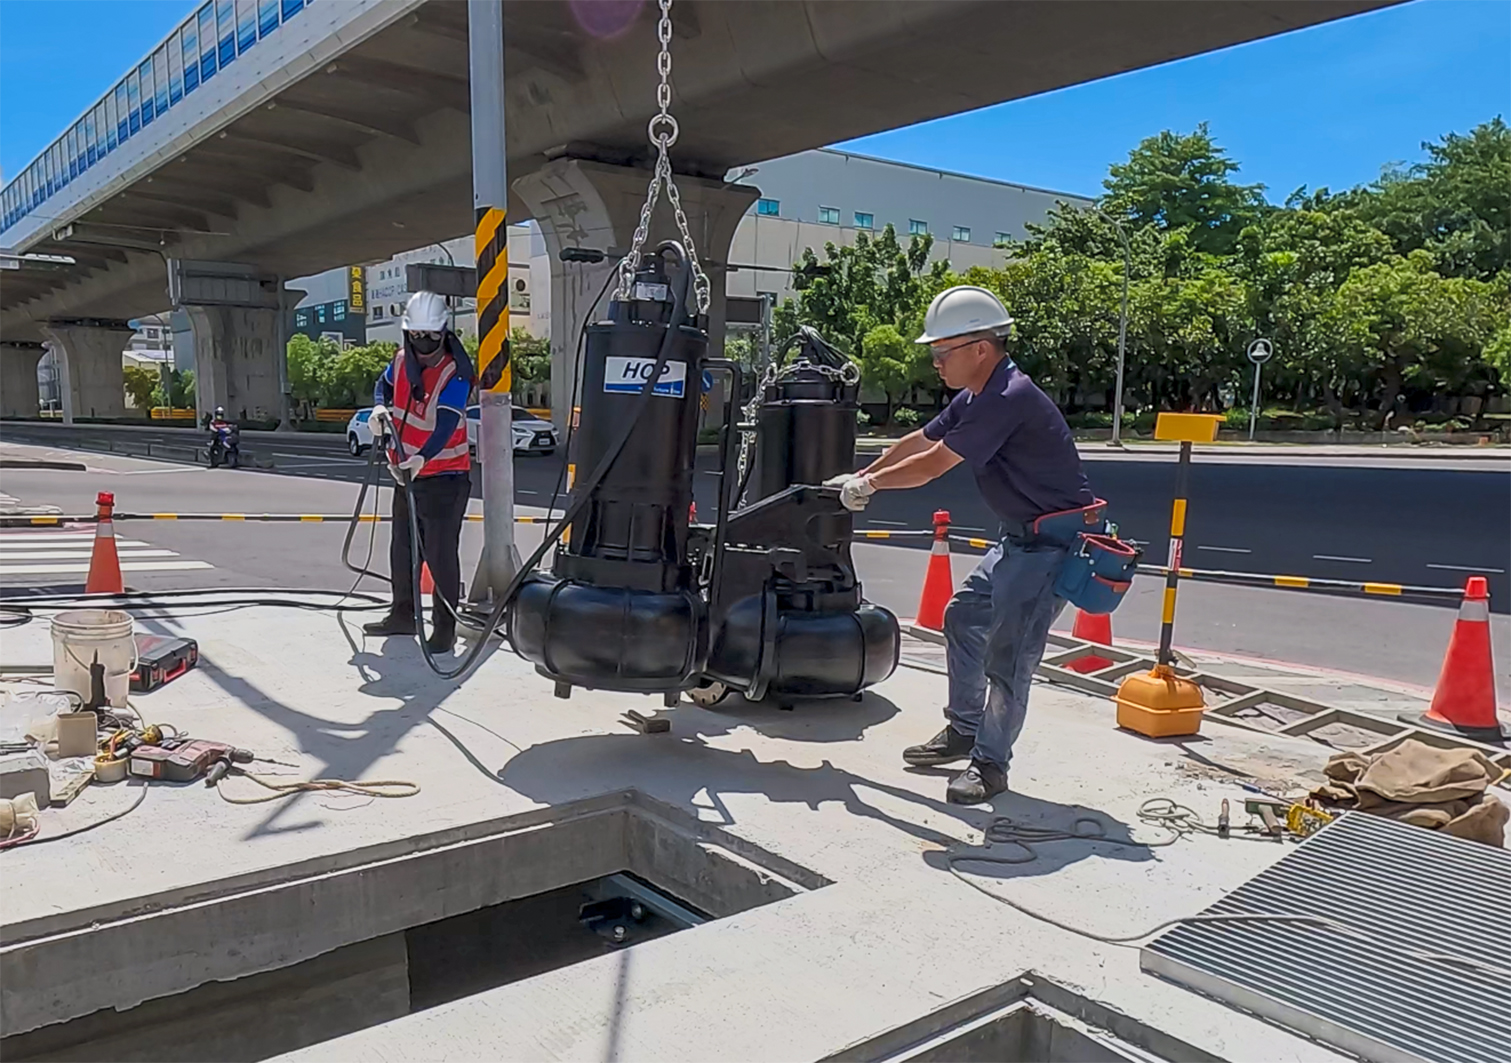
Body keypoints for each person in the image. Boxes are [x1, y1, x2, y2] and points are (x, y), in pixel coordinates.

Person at [829, 286, 1098, 804]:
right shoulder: (977, 395)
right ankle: (966, 729)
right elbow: (921, 441)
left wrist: (870, 488)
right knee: (964, 616)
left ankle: (991, 765)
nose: (935, 363)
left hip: (1052, 543)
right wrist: (866, 472)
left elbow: (934, 464)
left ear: (981, 348)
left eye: (941, 352)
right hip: (1021, 538)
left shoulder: (1007, 398)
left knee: (1010, 655)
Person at [362, 290, 476, 654]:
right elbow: (383, 385)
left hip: (444, 478)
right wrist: (378, 409)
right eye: (417, 336)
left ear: (444, 332)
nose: (424, 344)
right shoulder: (400, 360)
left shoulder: (456, 373)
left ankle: (444, 628)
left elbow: (444, 423)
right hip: (406, 474)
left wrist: (422, 457)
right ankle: (402, 614)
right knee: (403, 549)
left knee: (440, 554)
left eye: (431, 336)